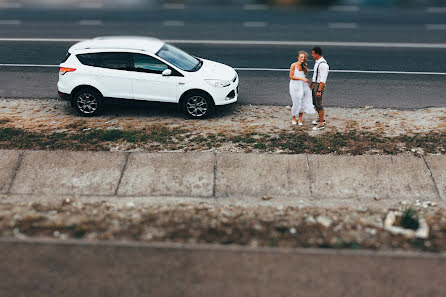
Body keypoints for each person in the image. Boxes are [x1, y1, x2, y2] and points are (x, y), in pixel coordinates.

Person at [289, 51, 316, 126]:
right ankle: (293, 117)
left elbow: (303, 76)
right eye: (301, 57)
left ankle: (300, 119)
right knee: (296, 102)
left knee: (303, 102)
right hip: (294, 86)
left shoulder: (304, 65)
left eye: (304, 57)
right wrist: (301, 79)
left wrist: (307, 83)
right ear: (298, 58)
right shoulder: (293, 65)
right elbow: (291, 76)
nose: (303, 58)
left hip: (303, 85)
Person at [310, 47, 329, 130]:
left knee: (319, 104)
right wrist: (311, 84)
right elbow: (315, 75)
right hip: (315, 84)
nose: (312, 55)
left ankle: (321, 123)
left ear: (317, 54)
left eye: (313, 53)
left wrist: (319, 90)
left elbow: (323, 79)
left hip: (319, 86)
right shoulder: (317, 63)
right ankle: (321, 118)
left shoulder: (323, 65)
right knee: (314, 103)